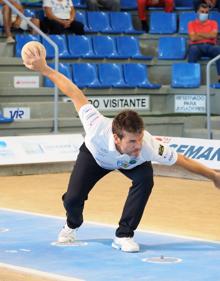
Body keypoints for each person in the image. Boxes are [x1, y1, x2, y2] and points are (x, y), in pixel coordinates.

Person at [22, 44, 220, 253]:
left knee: (145, 179)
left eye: (140, 139)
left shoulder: (146, 146)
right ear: (116, 138)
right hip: (95, 157)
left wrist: (213, 176)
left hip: (131, 165)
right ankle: (71, 225)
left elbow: (183, 161)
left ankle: (124, 234)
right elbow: (74, 92)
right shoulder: (96, 126)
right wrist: (44, 69)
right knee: (72, 199)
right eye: (132, 142)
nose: (138, 146)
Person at [188, 3, 220, 84]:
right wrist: (207, 35)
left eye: (206, 12)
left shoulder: (214, 23)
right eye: (202, 11)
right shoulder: (191, 23)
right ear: (197, 12)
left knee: (218, 49)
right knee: (192, 49)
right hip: (196, 46)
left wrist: (198, 33)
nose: (204, 14)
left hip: (211, 46)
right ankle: (191, 78)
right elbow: (193, 38)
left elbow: (213, 35)